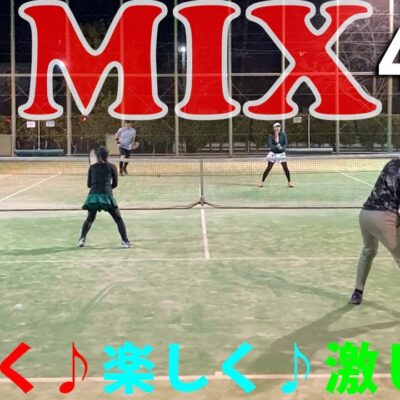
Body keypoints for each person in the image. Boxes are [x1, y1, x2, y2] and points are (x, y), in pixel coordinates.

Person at [350, 159, 400, 305]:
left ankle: (357, 292)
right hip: (383, 217)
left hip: (365, 214)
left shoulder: (392, 163)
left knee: (369, 250)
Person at [78, 147, 132, 248]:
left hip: (93, 196)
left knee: (90, 218)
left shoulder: (92, 168)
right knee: (118, 219)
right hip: (107, 196)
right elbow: (115, 184)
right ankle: (125, 241)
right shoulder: (112, 167)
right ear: (108, 156)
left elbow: (89, 184)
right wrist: (107, 188)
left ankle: (81, 239)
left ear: (97, 156)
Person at [258, 122, 294, 188]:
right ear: (273, 128)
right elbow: (270, 145)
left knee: (285, 168)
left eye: (279, 127)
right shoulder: (271, 135)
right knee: (268, 168)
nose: (278, 128)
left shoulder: (283, 134)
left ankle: (289, 183)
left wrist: (282, 148)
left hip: (281, 153)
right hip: (273, 153)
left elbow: (285, 144)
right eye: (276, 127)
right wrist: (276, 147)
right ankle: (262, 182)